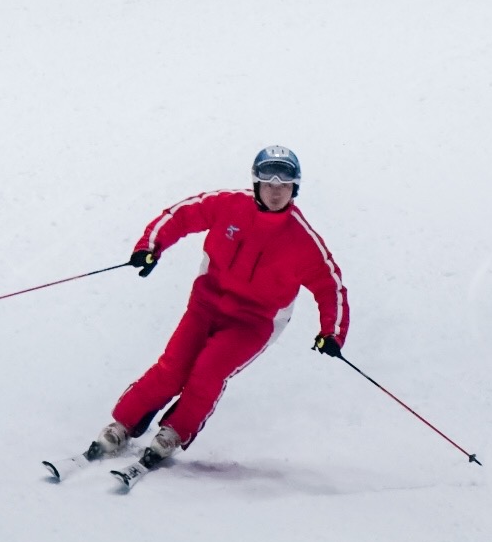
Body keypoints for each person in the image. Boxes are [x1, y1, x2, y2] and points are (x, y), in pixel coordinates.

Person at [86, 144, 348, 470]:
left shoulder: (302, 241)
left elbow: (330, 286)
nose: (276, 192)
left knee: (207, 372)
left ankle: (173, 433)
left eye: (284, 185)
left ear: (295, 188)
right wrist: (150, 246)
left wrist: (332, 333)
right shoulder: (229, 206)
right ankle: (122, 425)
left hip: (253, 322)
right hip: (206, 304)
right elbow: (181, 215)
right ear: (256, 184)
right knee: (172, 368)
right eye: (269, 184)